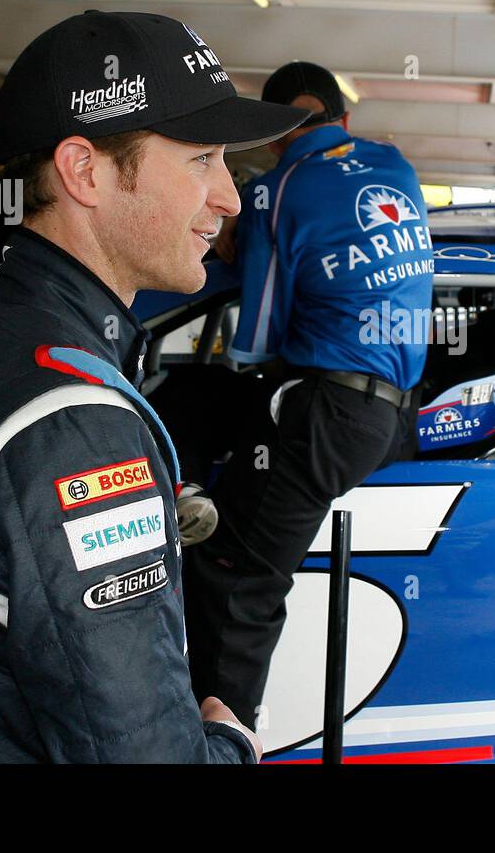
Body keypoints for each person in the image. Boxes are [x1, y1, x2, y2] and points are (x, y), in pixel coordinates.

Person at [0, 11, 309, 762]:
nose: (231, 198)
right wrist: (231, 746)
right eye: (202, 159)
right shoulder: (73, 422)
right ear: (85, 170)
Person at [184, 60, 433, 727]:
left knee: (235, 576)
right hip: (389, 410)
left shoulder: (277, 189)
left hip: (326, 411)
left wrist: (250, 248)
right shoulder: (397, 166)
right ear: (344, 119)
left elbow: (257, 340)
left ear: (272, 135)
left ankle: (222, 740)